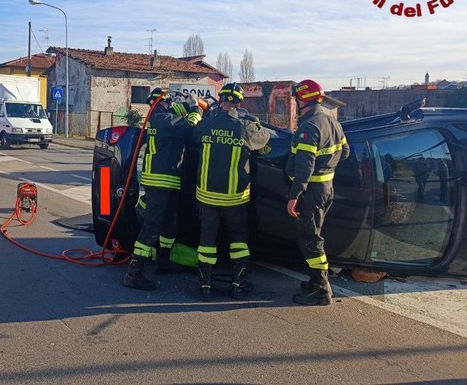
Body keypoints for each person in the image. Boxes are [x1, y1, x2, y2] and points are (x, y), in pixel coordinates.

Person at [193, 82, 270, 301]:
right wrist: (254, 121)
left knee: (207, 240)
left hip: (207, 195)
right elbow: (264, 138)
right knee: (238, 240)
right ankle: (239, 285)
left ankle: (205, 286)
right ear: (238, 102)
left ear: (220, 100)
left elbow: (192, 137)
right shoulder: (244, 126)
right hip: (235, 197)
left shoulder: (206, 125)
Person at [122, 88, 202, 290]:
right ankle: (134, 272)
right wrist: (195, 110)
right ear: (163, 102)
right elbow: (189, 126)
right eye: (169, 102)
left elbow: (176, 112)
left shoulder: (159, 117)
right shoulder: (163, 120)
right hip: (160, 182)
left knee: (170, 224)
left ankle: (164, 262)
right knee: (152, 227)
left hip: (169, 181)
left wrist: (185, 104)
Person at [286, 79, 350, 306]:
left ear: (303, 99)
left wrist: (294, 197)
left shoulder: (309, 127)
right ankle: (315, 283)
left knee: (310, 239)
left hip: (311, 191)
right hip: (326, 188)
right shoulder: (333, 123)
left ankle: (321, 289)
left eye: (297, 99)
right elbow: (345, 153)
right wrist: (327, 167)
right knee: (314, 236)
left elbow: (304, 168)